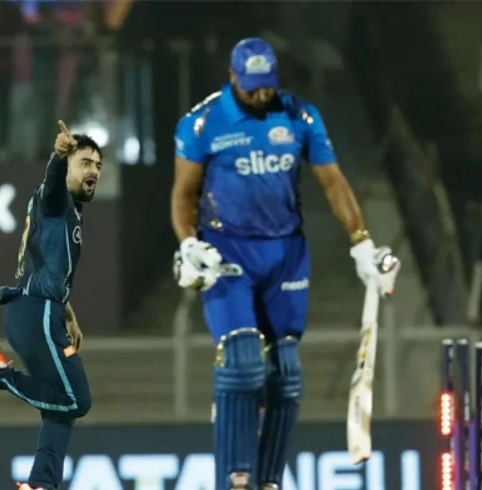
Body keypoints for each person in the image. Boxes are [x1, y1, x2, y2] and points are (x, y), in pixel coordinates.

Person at [170, 38, 398, 490]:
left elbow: (333, 183)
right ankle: (235, 479)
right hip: (227, 250)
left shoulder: (300, 116)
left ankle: (269, 480)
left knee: (285, 374)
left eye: (267, 85)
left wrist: (362, 244)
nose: (261, 94)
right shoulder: (201, 123)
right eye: (251, 86)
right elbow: (183, 193)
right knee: (242, 364)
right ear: (232, 76)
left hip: (286, 254)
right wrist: (189, 243)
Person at [0, 121, 101, 490]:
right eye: (85, 162)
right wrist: (58, 156)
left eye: (98, 165)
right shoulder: (56, 198)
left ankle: (41, 484)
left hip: (35, 311)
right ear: (68, 165)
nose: (94, 170)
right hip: (37, 314)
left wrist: (68, 311)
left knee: (58, 411)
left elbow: (45, 264)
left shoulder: (68, 210)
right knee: (76, 400)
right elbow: (52, 183)